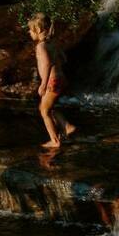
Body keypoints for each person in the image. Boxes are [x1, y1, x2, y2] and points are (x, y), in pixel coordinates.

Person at [28, 12, 76, 148]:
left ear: (37, 30)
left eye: (30, 30)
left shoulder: (41, 47)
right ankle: (66, 127)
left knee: (43, 110)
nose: (29, 32)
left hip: (52, 81)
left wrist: (43, 84)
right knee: (50, 107)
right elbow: (63, 58)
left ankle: (55, 140)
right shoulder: (52, 43)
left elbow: (48, 64)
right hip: (61, 78)